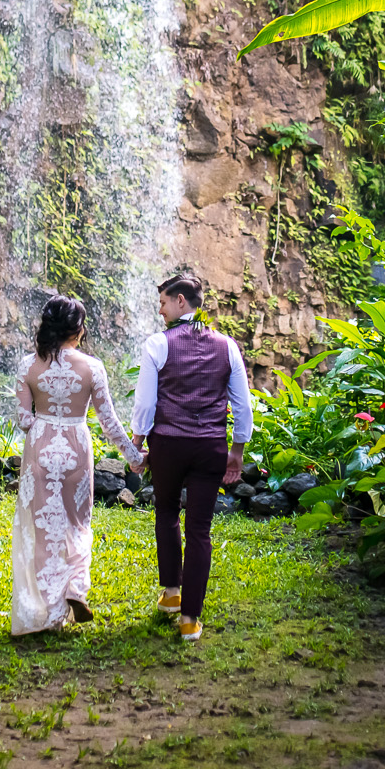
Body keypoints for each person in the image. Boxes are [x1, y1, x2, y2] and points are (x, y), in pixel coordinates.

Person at [129, 272, 252, 643]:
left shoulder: (157, 344)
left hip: (168, 444)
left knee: (166, 512)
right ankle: (189, 620)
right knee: (200, 529)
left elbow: (147, 402)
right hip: (209, 446)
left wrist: (138, 444)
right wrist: (237, 451)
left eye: (164, 302)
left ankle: (171, 594)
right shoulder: (227, 346)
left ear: (181, 301)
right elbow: (242, 406)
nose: (161, 310)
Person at [10, 294, 143, 636]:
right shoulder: (92, 367)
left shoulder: (28, 365)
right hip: (75, 448)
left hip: (40, 449)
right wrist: (134, 458)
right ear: (78, 330)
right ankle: (75, 589)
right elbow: (109, 422)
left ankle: (50, 614)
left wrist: (43, 417)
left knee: (43, 530)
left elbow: (24, 420)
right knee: (77, 523)